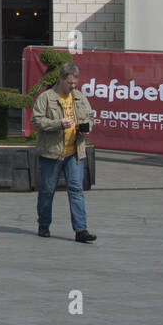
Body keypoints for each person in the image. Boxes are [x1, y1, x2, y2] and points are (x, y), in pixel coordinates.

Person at [32, 62, 97, 243]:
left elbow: (90, 116)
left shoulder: (79, 97)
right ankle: (44, 225)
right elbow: (36, 120)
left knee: (76, 189)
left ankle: (81, 230)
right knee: (47, 190)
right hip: (52, 153)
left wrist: (86, 127)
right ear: (61, 79)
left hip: (75, 152)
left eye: (75, 84)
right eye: (70, 83)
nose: (73, 87)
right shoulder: (46, 98)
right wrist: (58, 124)